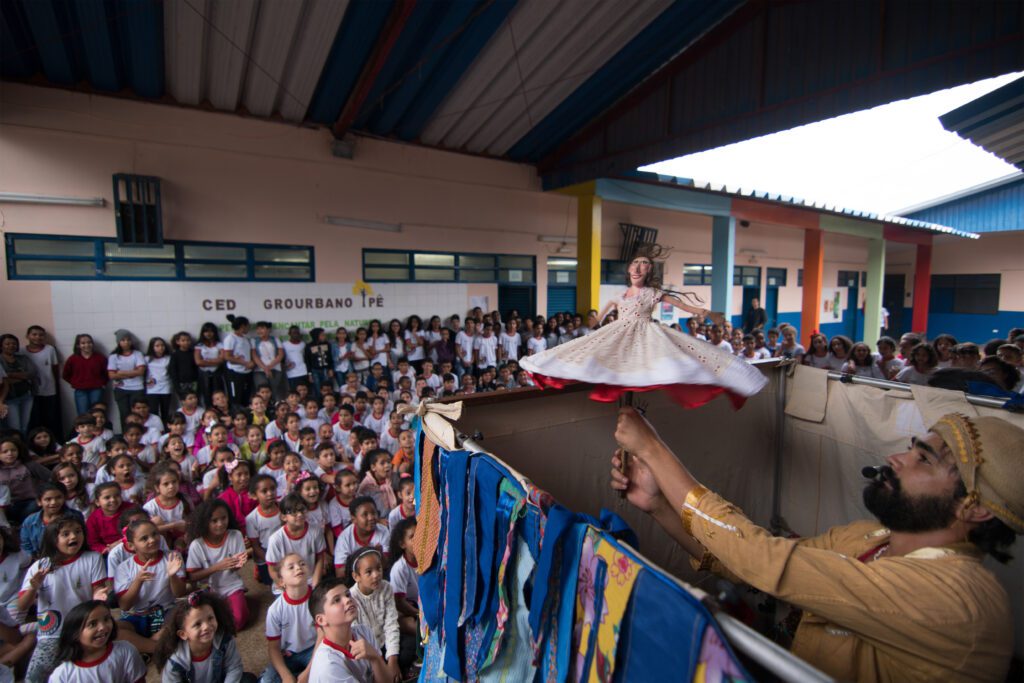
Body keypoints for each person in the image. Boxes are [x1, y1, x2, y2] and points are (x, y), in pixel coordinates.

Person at [608, 407, 1022, 681]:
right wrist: (660, 505)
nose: (897, 459)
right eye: (913, 449)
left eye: (924, 460)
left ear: (975, 509)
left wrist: (654, 449)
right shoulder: (867, 537)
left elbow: (761, 558)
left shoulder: (957, 600)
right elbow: (747, 567)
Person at [521, 244, 767, 409]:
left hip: (646, 334)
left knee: (662, 365)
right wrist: (588, 328)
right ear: (629, 269)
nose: (638, 268)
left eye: (644, 265)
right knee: (602, 363)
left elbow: (682, 305)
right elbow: (597, 320)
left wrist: (707, 313)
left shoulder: (653, 293)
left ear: (649, 271)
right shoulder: (619, 296)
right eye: (635, 264)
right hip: (617, 334)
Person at [19, 516, 109, 682]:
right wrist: (33, 587)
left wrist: (99, 597)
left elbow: (98, 590)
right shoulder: (40, 566)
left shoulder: (92, 558)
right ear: (53, 539)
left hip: (84, 628)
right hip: (52, 633)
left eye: (77, 532)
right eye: (65, 534)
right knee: (35, 676)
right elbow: (21, 605)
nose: (73, 537)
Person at [155, 590, 254, 683]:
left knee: (248, 679)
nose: (206, 626)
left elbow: (234, 668)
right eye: (197, 624)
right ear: (183, 634)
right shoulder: (175, 661)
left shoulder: (225, 639)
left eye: (210, 618)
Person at [307, 577, 390, 683]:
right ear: (321, 620)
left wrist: (375, 658)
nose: (348, 600)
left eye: (347, 594)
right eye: (337, 600)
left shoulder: (364, 632)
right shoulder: (327, 666)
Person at [114, 520, 187, 637]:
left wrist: (172, 575)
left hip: (167, 611)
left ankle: (152, 643)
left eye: (155, 534)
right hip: (137, 615)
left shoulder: (172, 556)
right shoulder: (124, 568)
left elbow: (180, 593)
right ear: (131, 545)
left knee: (180, 620)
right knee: (116, 630)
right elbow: (125, 605)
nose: (152, 540)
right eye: (144, 538)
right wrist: (138, 580)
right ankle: (154, 645)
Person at [185, 500, 250, 630]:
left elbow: (237, 567)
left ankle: (236, 598)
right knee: (201, 621)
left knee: (238, 621)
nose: (220, 524)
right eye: (214, 521)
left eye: (223, 518)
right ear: (205, 522)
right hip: (208, 589)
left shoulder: (235, 535)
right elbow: (191, 577)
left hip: (232, 585)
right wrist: (218, 567)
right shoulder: (197, 545)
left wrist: (237, 564)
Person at [50, 601, 146, 683]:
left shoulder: (126, 650)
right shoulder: (62, 675)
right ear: (74, 633)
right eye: (92, 624)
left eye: (106, 619)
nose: (103, 627)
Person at [346, 547, 402, 680]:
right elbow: (357, 638)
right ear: (356, 576)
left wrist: (392, 660)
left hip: (384, 642)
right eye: (369, 572)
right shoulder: (350, 599)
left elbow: (391, 624)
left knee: (406, 650)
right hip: (366, 649)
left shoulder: (386, 588)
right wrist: (379, 663)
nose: (376, 575)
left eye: (379, 568)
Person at [262, 552, 317, 683]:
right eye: (291, 567)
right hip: (288, 654)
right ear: (281, 581)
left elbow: (324, 637)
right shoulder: (275, 610)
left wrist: (307, 673)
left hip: (315, 650)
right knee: (267, 679)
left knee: (330, 670)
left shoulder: (318, 599)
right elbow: (273, 647)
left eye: (302, 564)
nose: (298, 568)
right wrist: (285, 675)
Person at [24, 325, 61, 437]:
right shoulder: (21, 351)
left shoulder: (49, 349)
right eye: (34, 334)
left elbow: (55, 369)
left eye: (40, 335)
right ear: (27, 336)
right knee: (34, 419)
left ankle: (51, 441)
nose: (37, 337)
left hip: (49, 390)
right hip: (30, 391)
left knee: (50, 418)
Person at [62, 334, 109, 419]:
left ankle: (97, 431)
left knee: (97, 413)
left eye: (89, 342)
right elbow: (65, 374)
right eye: (83, 343)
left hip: (96, 389)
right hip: (80, 390)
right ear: (78, 345)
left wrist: (103, 383)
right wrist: (76, 382)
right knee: (83, 414)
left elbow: (107, 373)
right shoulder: (73, 359)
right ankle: (85, 432)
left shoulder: (100, 358)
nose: (86, 345)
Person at [0, 334, 35, 435]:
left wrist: (10, 374)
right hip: (9, 399)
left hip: (26, 395)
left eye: (14, 343)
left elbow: (31, 374)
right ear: (1, 345)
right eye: (7, 344)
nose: (11, 346)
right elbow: (4, 380)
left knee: (25, 426)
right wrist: (20, 376)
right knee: (15, 427)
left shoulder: (22, 358)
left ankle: (23, 448)